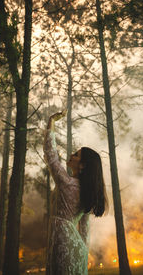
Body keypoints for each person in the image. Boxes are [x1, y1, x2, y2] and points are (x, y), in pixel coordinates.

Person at [43, 110, 108, 275]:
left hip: (62, 245)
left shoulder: (66, 182)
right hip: (75, 249)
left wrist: (52, 122)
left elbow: (51, 155)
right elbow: (85, 228)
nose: (71, 155)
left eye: (76, 155)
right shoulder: (87, 191)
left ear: (83, 165)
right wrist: (84, 256)